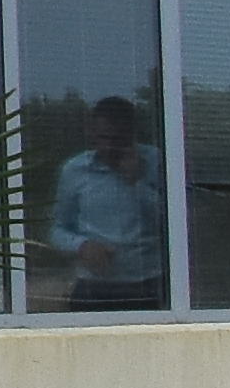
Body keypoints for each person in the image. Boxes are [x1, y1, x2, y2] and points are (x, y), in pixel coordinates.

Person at [48, 94, 168, 311]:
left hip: (147, 283)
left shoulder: (155, 162)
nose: (110, 147)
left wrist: (136, 182)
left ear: (132, 135)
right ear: (92, 134)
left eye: (119, 140)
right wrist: (81, 246)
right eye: (104, 138)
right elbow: (57, 230)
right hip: (93, 285)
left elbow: (172, 223)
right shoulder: (75, 170)